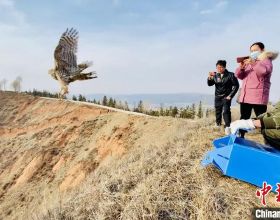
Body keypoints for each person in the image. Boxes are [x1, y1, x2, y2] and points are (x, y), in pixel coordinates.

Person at [235, 42, 278, 138]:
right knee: (243, 118)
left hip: (258, 96)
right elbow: (239, 76)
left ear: (262, 50)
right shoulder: (250, 62)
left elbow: (264, 72)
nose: (253, 52)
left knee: (263, 119)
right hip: (246, 96)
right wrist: (241, 68)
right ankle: (240, 138)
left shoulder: (266, 60)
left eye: (255, 50)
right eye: (251, 51)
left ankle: (270, 139)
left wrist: (253, 63)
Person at [207, 60, 239, 134]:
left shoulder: (231, 75)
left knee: (226, 111)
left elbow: (236, 86)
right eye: (217, 67)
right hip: (218, 96)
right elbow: (210, 84)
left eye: (221, 67)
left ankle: (228, 126)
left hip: (226, 96)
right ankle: (218, 124)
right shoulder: (215, 75)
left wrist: (230, 95)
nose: (219, 69)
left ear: (224, 67)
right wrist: (209, 77)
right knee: (218, 111)